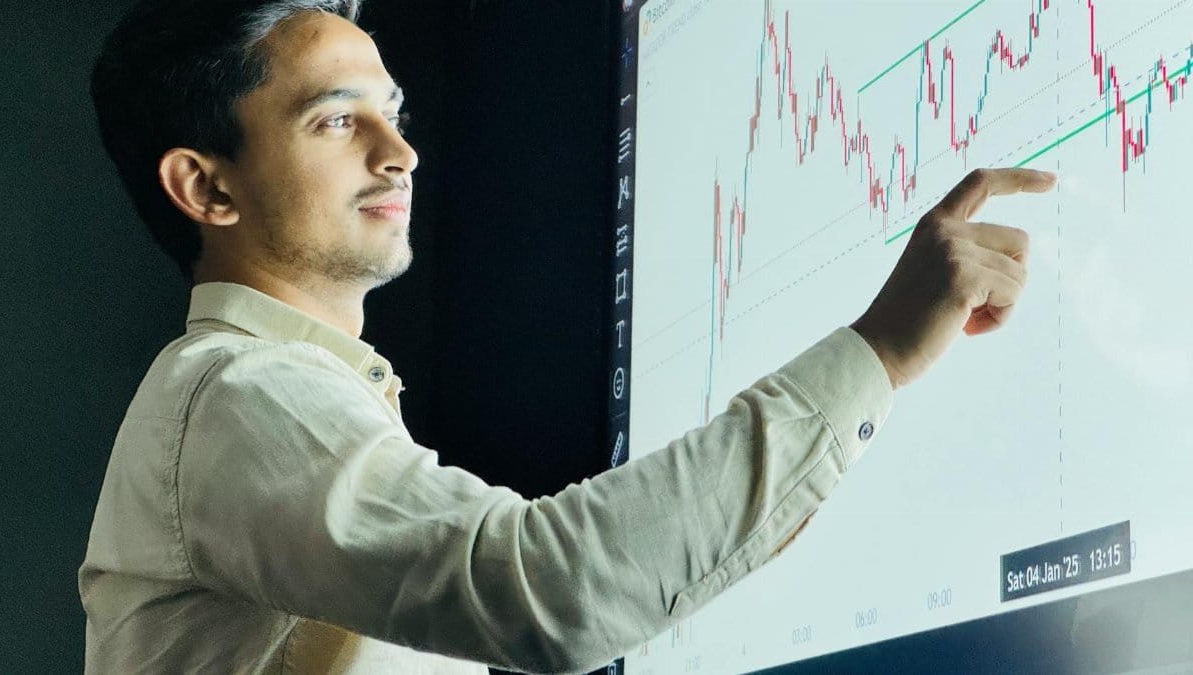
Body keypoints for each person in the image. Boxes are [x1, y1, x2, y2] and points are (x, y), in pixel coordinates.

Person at [78, 0, 1057, 673]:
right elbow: (545, 592)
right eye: (337, 121)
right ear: (206, 187)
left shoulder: (273, 396)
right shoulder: (240, 393)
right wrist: (880, 352)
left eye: (395, 111)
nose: (401, 152)